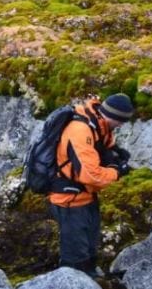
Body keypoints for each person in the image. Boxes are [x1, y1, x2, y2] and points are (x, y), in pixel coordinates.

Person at [48, 93, 134, 277]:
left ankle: (91, 276)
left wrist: (116, 154)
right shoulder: (80, 130)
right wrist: (117, 172)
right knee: (75, 256)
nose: (121, 125)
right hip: (69, 200)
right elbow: (91, 175)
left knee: (90, 249)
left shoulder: (99, 125)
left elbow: (104, 147)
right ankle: (71, 281)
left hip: (86, 196)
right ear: (112, 116)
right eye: (121, 121)